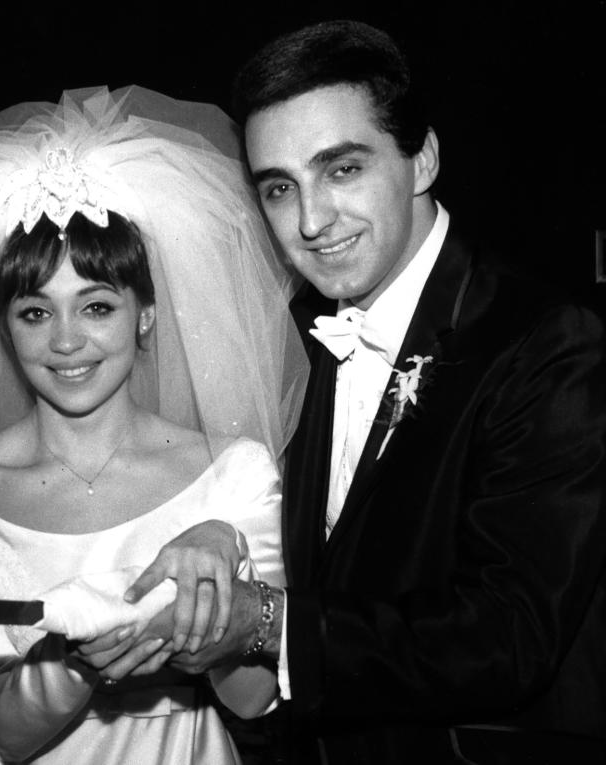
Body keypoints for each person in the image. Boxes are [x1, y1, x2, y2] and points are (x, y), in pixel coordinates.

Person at [125, 19, 606, 763]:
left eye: (342, 169)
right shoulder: (291, 340)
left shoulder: (545, 341)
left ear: (422, 159)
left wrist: (267, 624)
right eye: (280, 188)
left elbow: (508, 635)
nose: (311, 222)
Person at [0, 87, 308, 763]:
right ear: (3, 326)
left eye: (95, 307)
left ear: (144, 314)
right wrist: (76, 664)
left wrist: (223, 582)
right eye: (36, 312)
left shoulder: (233, 476)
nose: (66, 341)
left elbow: (253, 698)